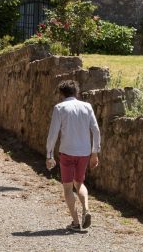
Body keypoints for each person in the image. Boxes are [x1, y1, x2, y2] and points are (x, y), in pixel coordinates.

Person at [46, 80, 101, 232]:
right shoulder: (87, 107)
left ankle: (76, 223)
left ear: (61, 94)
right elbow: (96, 130)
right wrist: (95, 152)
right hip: (84, 153)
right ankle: (87, 209)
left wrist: (49, 154)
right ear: (76, 92)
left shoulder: (59, 108)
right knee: (80, 183)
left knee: (68, 188)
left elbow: (53, 134)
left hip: (67, 152)